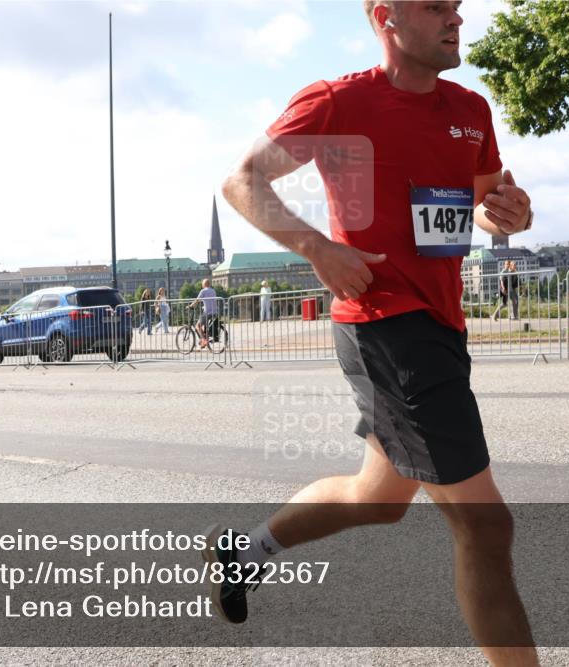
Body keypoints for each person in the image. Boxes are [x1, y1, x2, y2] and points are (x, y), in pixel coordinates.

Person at [209, 2, 538, 665]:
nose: (455, 19)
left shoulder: (470, 110)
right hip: (388, 328)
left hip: (441, 326)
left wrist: (514, 211)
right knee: (485, 524)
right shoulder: (338, 102)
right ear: (386, 16)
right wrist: (316, 248)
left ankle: (243, 552)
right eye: (436, 6)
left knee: (379, 498)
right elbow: (242, 181)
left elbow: (489, 202)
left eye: (458, 7)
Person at [190, 279, 219, 349]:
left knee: (197, 326)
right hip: (215, 312)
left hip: (207, 312)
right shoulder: (213, 290)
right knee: (204, 325)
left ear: (204, 284)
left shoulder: (203, 291)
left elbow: (197, 300)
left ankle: (204, 340)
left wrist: (191, 305)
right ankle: (204, 339)